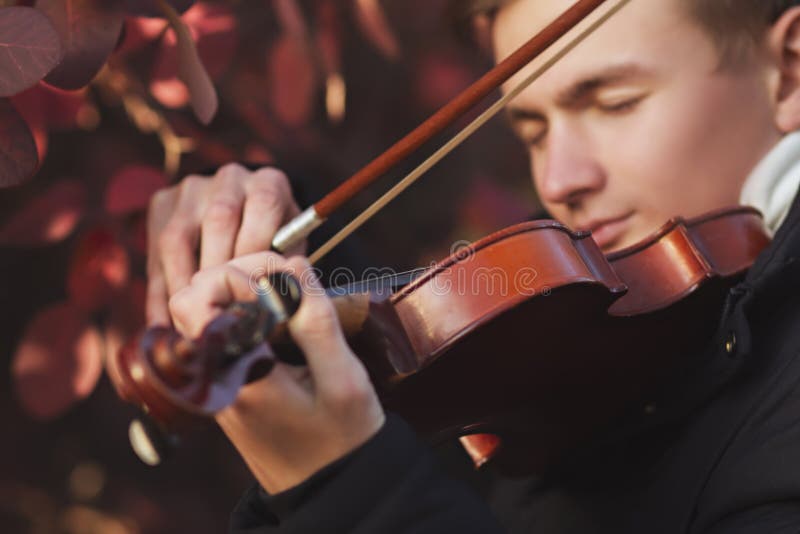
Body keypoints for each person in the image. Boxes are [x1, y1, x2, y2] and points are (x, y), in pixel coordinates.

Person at [146, 0, 800, 532]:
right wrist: (269, 223)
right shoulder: (627, 343)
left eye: (614, 102)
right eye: (534, 132)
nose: (559, 179)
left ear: (791, 70)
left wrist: (354, 494)